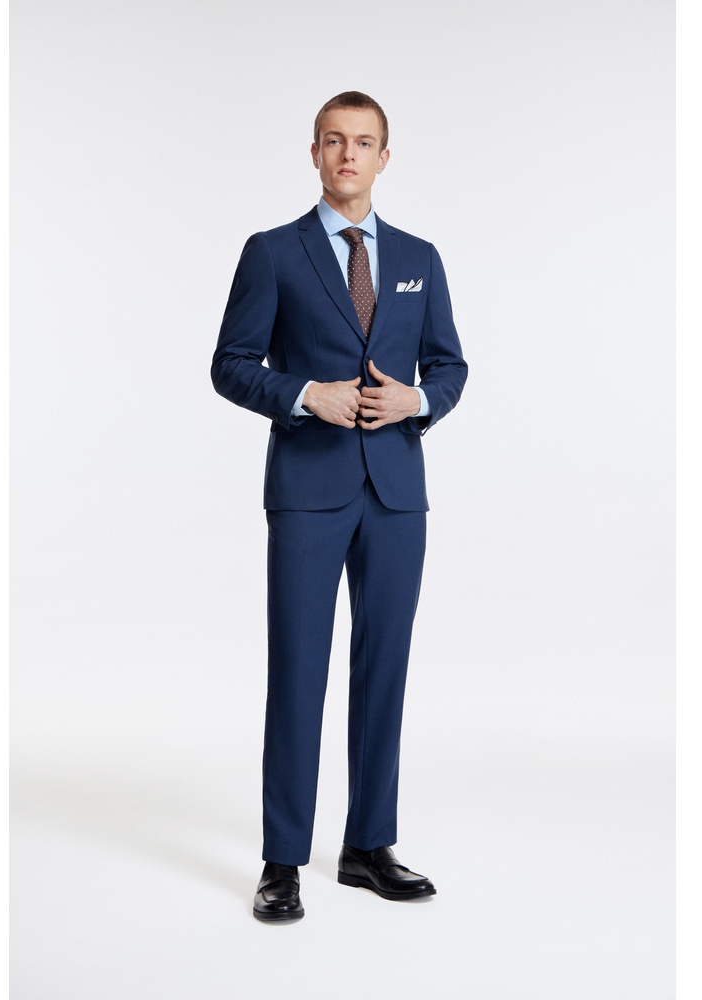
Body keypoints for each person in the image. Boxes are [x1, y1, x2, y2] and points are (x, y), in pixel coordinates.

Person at [211, 91, 468, 922]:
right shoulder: (272, 252)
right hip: (308, 493)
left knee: (384, 669)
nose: (348, 154)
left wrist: (417, 402)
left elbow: (450, 365)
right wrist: (304, 395)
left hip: (396, 494)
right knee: (298, 670)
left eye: (363, 142)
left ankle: (367, 846)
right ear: (315, 152)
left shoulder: (420, 257)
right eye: (334, 140)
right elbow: (230, 363)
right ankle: (282, 859)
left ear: (384, 158)